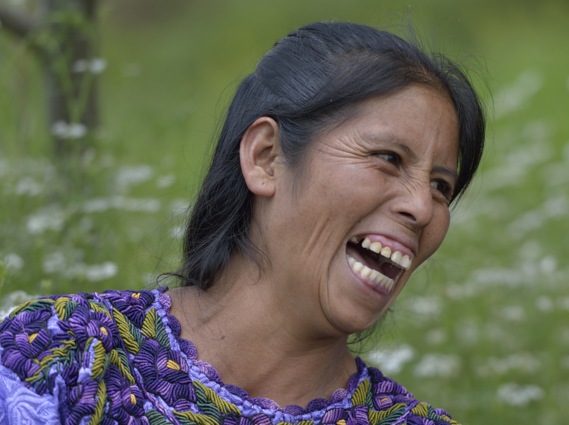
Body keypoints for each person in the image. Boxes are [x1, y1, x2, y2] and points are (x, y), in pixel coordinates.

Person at [0, 21, 484, 425]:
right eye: (388, 158)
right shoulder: (63, 354)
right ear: (265, 157)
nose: (423, 208)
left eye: (441, 186)